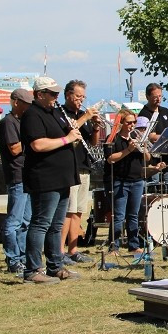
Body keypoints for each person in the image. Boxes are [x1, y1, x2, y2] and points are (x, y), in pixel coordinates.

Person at [20, 77, 83, 284]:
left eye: (57, 94)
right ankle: (32, 270)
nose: (56, 98)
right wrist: (67, 139)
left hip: (63, 178)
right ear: (40, 94)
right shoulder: (32, 115)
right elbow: (38, 145)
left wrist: (74, 130)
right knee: (40, 224)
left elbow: (68, 133)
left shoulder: (55, 112)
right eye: (52, 94)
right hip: (44, 178)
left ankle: (55, 266)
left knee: (56, 226)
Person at [105, 111, 161, 254]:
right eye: (128, 122)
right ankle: (114, 246)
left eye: (133, 123)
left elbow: (148, 158)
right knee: (118, 215)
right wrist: (129, 149)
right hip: (120, 180)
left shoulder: (137, 137)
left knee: (133, 214)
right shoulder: (113, 139)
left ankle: (133, 245)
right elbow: (110, 158)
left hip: (137, 180)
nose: (131, 126)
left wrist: (142, 147)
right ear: (121, 123)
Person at [61, 80, 100, 264]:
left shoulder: (80, 115)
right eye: (78, 96)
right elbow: (67, 130)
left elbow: (93, 142)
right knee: (67, 211)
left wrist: (96, 126)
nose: (80, 100)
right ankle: (59, 251)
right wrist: (85, 116)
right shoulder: (61, 113)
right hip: (69, 167)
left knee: (78, 211)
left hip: (84, 167)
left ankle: (73, 250)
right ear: (68, 95)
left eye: (83, 97)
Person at [0, 87, 32, 275]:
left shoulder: (22, 122)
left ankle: (24, 258)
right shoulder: (8, 123)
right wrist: (32, 139)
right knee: (14, 222)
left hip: (27, 177)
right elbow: (15, 149)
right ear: (15, 102)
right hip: (17, 176)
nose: (28, 107)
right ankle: (13, 259)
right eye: (25, 104)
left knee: (26, 222)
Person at [139, 82, 168, 193]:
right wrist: (165, 137)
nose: (158, 99)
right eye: (155, 97)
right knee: (153, 192)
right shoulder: (143, 114)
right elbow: (147, 136)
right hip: (153, 161)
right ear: (147, 97)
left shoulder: (165, 111)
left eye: (160, 96)